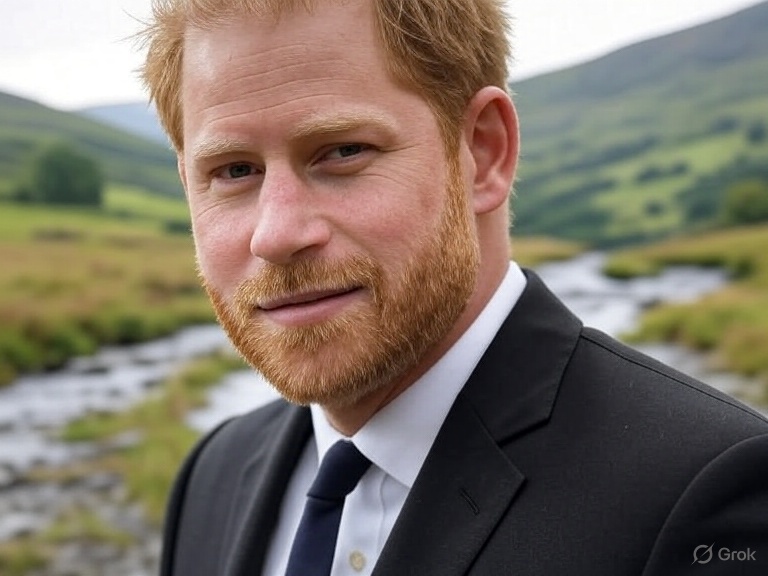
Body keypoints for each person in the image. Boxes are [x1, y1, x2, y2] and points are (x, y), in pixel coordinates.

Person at [139, 0, 768, 574]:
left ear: (483, 153)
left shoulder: (707, 491)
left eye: (343, 151)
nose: (276, 235)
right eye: (234, 170)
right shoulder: (212, 475)